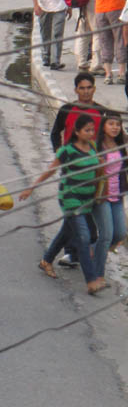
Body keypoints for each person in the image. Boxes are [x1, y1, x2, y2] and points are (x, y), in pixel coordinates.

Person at [19, 114, 105, 294]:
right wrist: (31, 188)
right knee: (83, 237)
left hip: (87, 200)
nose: (90, 133)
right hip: (70, 198)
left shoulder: (93, 147)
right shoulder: (67, 151)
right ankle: (91, 280)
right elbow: (50, 171)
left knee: (67, 232)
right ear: (77, 131)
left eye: (92, 130)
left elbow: (98, 171)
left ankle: (46, 260)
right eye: (87, 130)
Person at [47, 72, 107, 269]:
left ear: (94, 89)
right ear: (75, 90)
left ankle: (65, 252)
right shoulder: (66, 109)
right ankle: (72, 252)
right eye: (82, 88)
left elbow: (109, 138)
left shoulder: (102, 112)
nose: (86, 91)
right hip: (71, 168)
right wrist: (59, 155)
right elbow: (55, 133)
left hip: (95, 169)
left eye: (89, 87)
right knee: (73, 208)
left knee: (86, 207)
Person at [93, 111, 127, 280]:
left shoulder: (121, 145)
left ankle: (93, 250)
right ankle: (97, 275)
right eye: (111, 124)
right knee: (106, 235)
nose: (115, 128)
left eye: (118, 125)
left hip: (117, 195)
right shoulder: (96, 146)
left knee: (120, 233)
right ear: (104, 126)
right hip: (101, 196)